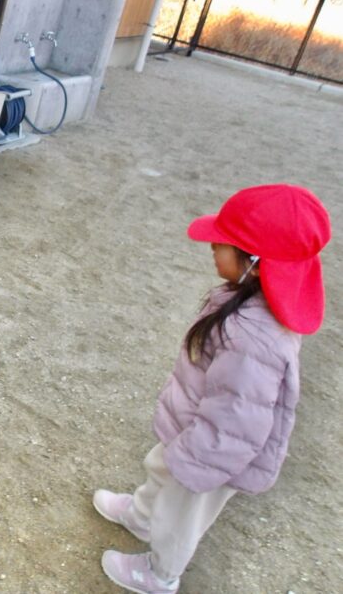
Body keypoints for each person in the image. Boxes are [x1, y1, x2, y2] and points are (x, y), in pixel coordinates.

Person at [93, 184, 331, 593]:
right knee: (160, 468)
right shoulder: (244, 302)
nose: (212, 246)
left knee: (180, 515)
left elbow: (237, 420)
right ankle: (142, 517)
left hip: (213, 454)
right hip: (196, 431)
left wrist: (196, 461)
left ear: (256, 263)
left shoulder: (253, 339)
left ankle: (160, 575)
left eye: (222, 243)